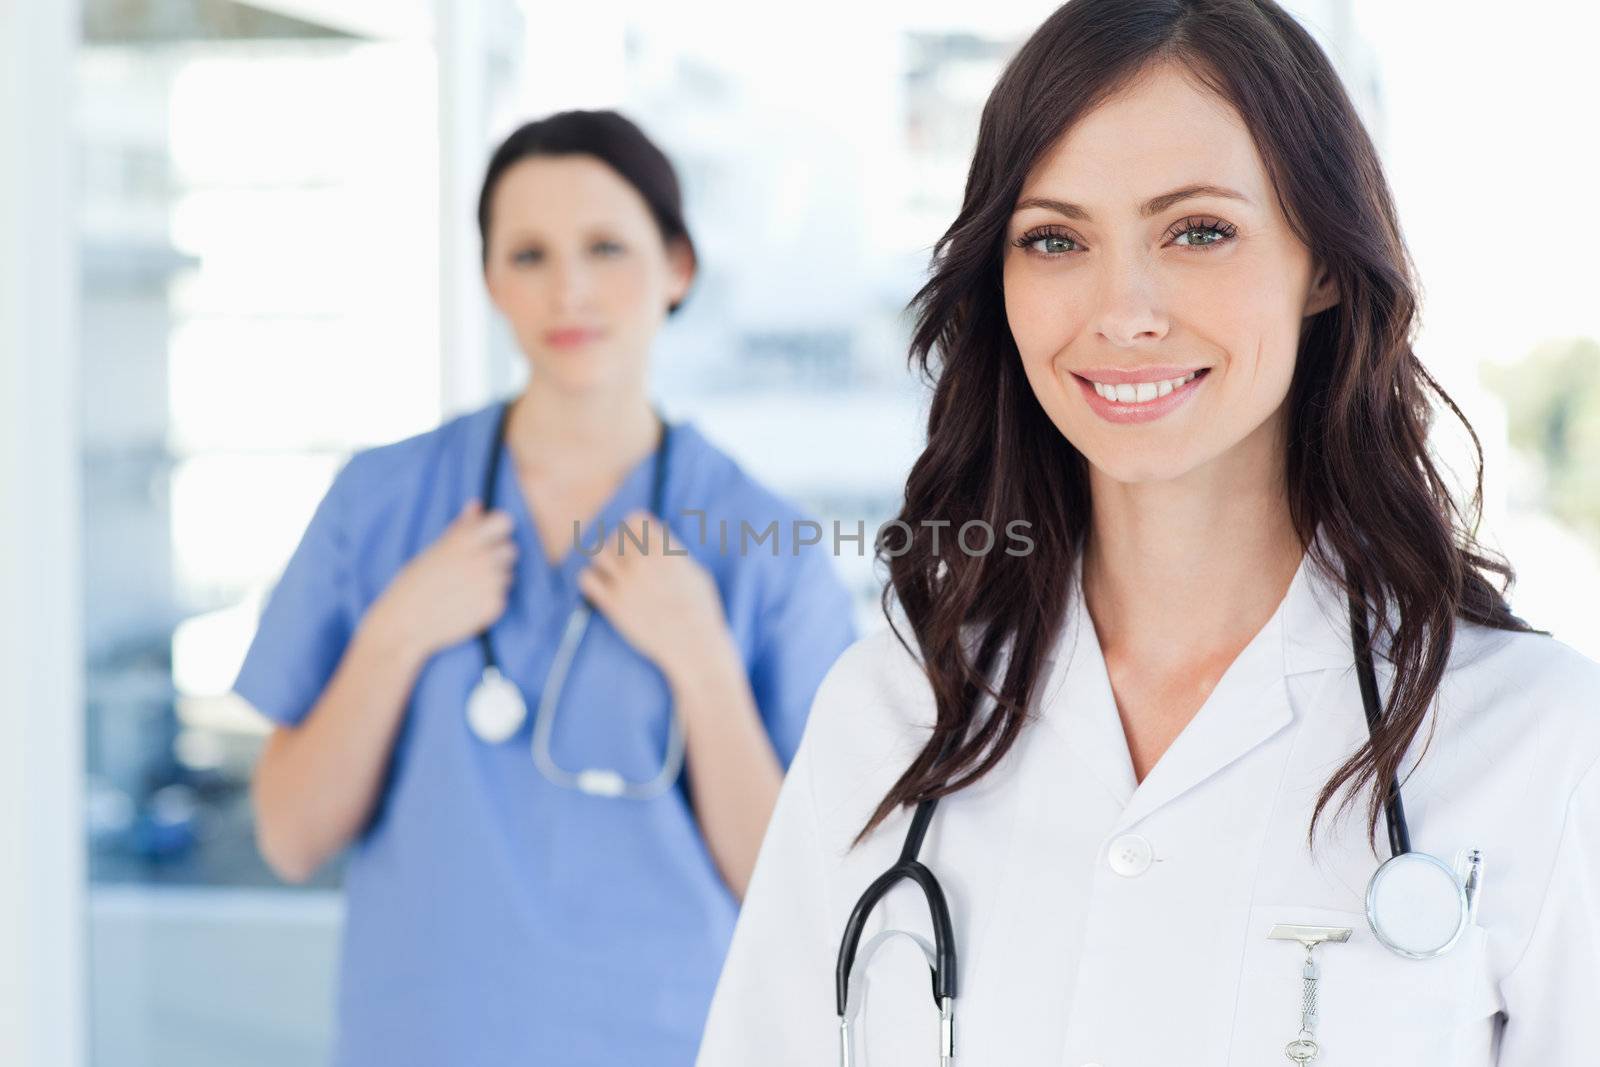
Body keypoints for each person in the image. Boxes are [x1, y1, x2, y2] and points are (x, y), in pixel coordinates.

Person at [694, 2, 1600, 1064]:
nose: (1123, 309)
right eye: (1054, 238)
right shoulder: (889, 715)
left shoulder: (1533, 739)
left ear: (1323, 263)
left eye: (1197, 230)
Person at [236, 109, 857, 1067]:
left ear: (677, 267)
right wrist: (398, 633)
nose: (568, 288)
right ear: (490, 279)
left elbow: (805, 896)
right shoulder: (384, 502)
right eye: (528, 254)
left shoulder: (759, 538)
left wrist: (701, 663)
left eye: (606, 246)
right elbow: (288, 836)